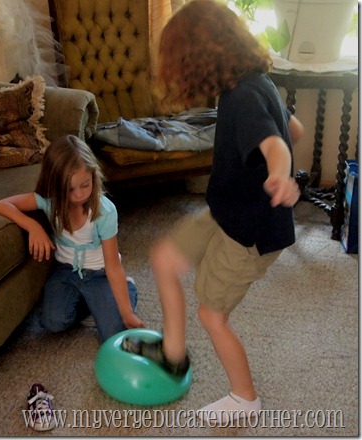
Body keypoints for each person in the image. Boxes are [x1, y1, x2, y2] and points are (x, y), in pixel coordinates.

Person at [122, 0, 304, 425]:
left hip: (250, 234)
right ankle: (172, 354)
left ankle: (245, 398)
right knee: (164, 258)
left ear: (199, 59)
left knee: (212, 314)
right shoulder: (257, 83)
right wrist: (273, 158)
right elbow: (292, 130)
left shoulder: (243, 98)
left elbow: (276, 144)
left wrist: (279, 174)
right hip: (227, 211)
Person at [0, 134, 145, 342]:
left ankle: (128, 290)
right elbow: (0, 205)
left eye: (85, 185)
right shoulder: (49, 200)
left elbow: (113, 266)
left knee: (113, 334)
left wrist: (126, 313)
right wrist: (33, 226)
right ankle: (94, 304)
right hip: (66, 271)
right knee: (52, 322)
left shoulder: (105, 211)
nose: (79, 195)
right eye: (70, 189)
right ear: (55, 184)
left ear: (93, 176)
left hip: (101, 274)